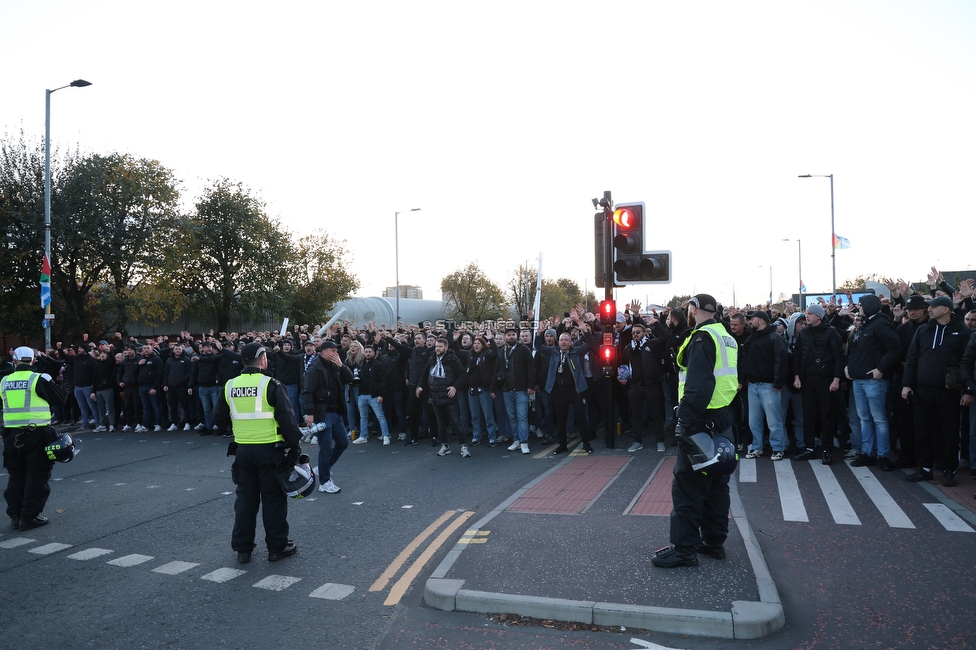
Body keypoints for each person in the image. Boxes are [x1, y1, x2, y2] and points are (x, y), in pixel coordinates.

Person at [652, 294, 738, 568]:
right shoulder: (725, 335)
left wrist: (685, 420)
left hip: (701, 419)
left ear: (694, 309)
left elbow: (698, 384)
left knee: (688, 485)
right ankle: (713, 542)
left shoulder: (702, 338)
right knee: (716, 483)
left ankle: (684, 549)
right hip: (722, 417)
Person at [213, 342, 302, 564]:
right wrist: (295, 446)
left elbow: (218, 418)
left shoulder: (230, 385)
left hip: (243, 450)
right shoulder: (271, 384)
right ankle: (277, 547)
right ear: (263, 360)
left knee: (245, 500)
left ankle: (243, 549)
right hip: (270, 450)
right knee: (273, 500)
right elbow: (287, 420)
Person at [901, 296, 971, 487]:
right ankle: (924, 468)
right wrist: (907, 384)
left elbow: (968, 362)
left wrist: (968, 390)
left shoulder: (962, 331)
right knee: (922, 430)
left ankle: (949, 469)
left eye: (933, 307)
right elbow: (912, 359)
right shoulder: (923, 330)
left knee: (949, 432)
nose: (929, 310)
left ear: (946, 309)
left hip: (950, 391)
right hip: (923, 389)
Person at [2, 347, 68, 531]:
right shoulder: (38, 379)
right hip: (36, 433)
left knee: (16, 475)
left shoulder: (4, 381)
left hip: (11, 435)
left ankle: (15, 515)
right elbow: (61, 397)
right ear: (33, 361)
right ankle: (29, 517)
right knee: (37, 475)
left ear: (15, 361)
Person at [845, 295, 902, 470]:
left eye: (861, 305)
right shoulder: (865, 324)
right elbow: (856, 351)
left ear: (869, 306)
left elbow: (896, 348)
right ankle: (867, 452)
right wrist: (849, 367)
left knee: (879, 419)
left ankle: (882, 455)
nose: (859, 308)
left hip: (874, 380)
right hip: (859, 379)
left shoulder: (880, 324)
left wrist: (881, 368)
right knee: (865, 419)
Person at [300, 340, 353, 493]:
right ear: (324, 352)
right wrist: (310, 413)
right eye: (332, 351)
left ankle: (323, 467)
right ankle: (324, 482)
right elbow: (307, 392)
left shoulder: (335, 365)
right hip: (322, 413)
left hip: (335, 411)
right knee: (326, 448)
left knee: (343, 442)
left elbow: (349, 379)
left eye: (336, 351)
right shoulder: (315, 368)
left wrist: (342, 366)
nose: (336, 353)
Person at [741, 310, 789, 460]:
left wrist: (778, 383)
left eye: (752, 319)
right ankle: (757, 448)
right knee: (753, 421)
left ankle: (778, 448)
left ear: (761, 320)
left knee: (773, 420)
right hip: (753, 384)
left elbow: (782, 361)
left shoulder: (775, 338)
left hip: (769, 385)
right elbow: (745, 360)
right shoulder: (752, 338)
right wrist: (743, 379)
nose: (750, 322)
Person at [419, 337, 469, 458]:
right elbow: (424, 375)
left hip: (449, 396)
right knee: (440, 423)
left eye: (440, 346)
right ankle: (444, 446)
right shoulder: (431, 359)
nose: (437, 349)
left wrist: (455, 387)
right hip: (435, 396)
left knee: (456, 422)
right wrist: (419, 386)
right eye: (436, 346)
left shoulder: (453, 359)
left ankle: (463, 446)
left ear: (446, 348)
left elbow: (463, 375)